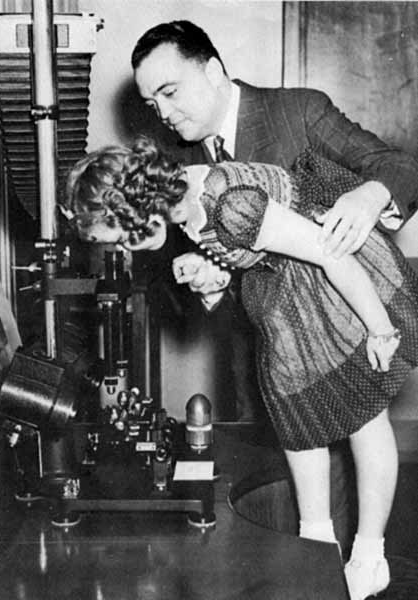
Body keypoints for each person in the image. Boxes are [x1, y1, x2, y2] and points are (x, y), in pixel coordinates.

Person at [64, 137, 418, 600]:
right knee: (298, 418)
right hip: (288, 296)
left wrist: (379, 327)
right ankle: (318, 545)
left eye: (125, 240)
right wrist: (215, 270)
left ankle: (369, 558)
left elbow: (331, 253)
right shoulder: (185, 200)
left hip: (338, 286)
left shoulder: (227, 204)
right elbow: (251, 247)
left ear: (138, 213)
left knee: (365, 418)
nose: (128, 251)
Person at [129, 19, 418, 420]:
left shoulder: (298, 111)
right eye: (151, 104)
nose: (162, 113)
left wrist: (369, 196)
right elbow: (184, 261)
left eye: (170, 92)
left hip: (337, 348)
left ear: (212, 71)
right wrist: (208, 275)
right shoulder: (175, 157)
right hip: (255, 364)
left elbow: (398, 166)